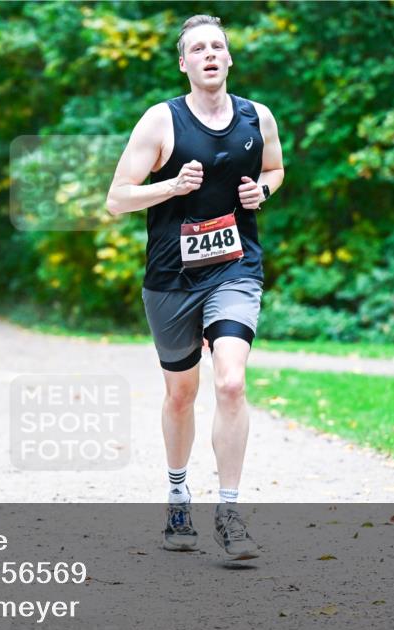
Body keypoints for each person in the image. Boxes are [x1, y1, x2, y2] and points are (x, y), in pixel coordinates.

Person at [105, 14, 285, 558]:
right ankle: (178, 493)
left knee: (230, 383)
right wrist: (169, 186)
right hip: (170, 278)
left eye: (218, 46)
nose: (209, 54)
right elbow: (117, 198)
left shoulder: (258, 118)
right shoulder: (161, 122)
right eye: (198, 48)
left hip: (235, 268)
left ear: (229, 59)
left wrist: (263, 193)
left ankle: (229, 513)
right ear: (184, 64)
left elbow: (275, 170)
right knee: (181, 394)